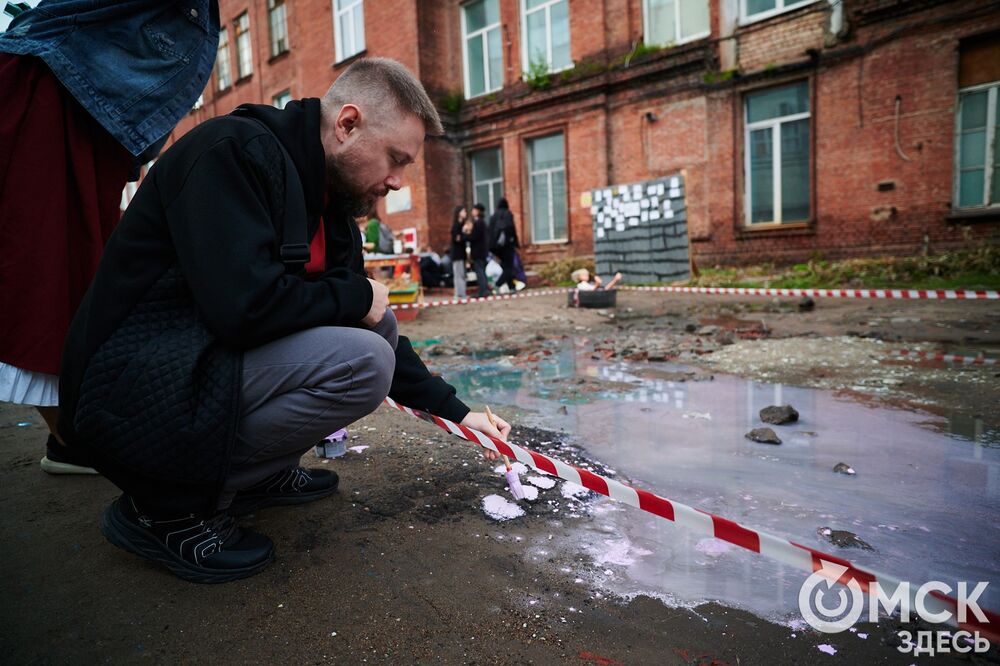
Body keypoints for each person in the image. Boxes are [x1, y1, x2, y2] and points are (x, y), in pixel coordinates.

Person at [57, 57, 510, 583]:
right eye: (395, 159)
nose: (397, 181)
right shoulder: (230, 155)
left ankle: (256, 478)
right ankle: (161, 509)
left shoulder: (332, 204)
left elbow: (360, 310)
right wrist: (353, 295)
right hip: (129, 385)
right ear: (347, 124)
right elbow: (242, 309)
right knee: (363, 360)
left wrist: (456, 411)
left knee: (376, 330)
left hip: (199, 367)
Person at [0, 0, 221, 475]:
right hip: (61, 89)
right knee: (52, 279)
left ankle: (72, 437)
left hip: (87, 105)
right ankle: (73, 438)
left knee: (79, 275)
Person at [488, 198, 522, 294]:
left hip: (495, 247)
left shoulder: (493, 216)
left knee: (505, 266)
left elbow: (489, 232)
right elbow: (511, 229)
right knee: (509, 267)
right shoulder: (508, 214)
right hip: (506, 246)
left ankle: (512, 286)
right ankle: (497, 284)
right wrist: (516, 244)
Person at [469, 203, 492, 297]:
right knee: (482, 270)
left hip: (478, 251)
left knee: (480, 271)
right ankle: (485, 289)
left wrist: (466, 235)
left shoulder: (478, 223)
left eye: (474, 210)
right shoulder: (482, 222)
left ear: (477, 211)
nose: (472, 212)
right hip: (482, 251)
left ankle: (483, 290)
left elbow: (474, 237)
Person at [449, 205, 471, 298]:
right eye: (463, 211)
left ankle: (462, 293)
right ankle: (459, 293)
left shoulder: (462, 225)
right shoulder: (456, 225)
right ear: (459, 213)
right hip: (457, 254)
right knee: (458, 274)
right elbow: (458, 239)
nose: (465, 213)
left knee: (462, 274)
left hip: (461, 254)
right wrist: (464, 233)